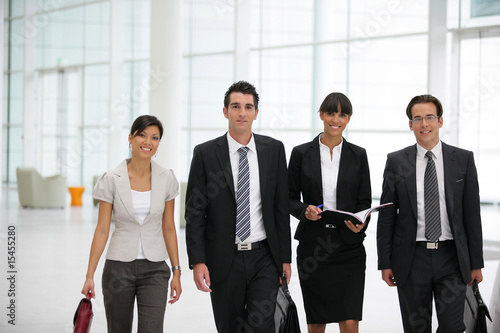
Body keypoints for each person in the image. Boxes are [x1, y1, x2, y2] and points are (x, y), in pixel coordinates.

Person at [185, 80, 292, 333]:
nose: (242, 113)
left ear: (256, 112)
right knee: (229, 328)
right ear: (225, 111)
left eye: (248, 107)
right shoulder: (206, 153)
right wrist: (198, 261)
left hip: (264, 257)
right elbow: (194, 213)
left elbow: (280, 210)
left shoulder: (274, 150)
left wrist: (285, 258)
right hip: (223, 259)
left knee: (262, 327)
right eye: (235, 106)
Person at [377, 94, 484, 332]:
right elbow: (387, 216)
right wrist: (385, 262)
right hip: (412, 258)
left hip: (452, 258)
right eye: (417, 119)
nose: (424, 124)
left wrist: (476, 262)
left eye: (429, 117)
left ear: (440, 121)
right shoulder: (396, 161)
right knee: (416, 328)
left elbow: (471, 215)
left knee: (453, 327)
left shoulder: (463, 159)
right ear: (410, 124)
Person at [81, 115, 182, 333]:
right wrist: (90, 275)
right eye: (142, 135)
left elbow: (169, 228)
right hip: (118, 268)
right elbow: (102, 229)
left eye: (155, 138)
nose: (148, 142)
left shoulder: (166, 178)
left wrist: (176, 271)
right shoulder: (111, 178)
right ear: (131, 138)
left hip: (155, 269)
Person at [288, 92, 371, 333]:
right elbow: (288, 198)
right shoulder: (301, 153)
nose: (336, 119)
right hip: (313, 245)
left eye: (342, 114)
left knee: (350, 320)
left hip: (349, 248)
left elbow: (364, 201)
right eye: (331, 113)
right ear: (322, 115)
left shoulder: (358, 155)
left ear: (348, 119)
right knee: (317, 321)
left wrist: (361, 223)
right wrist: (305, 211)